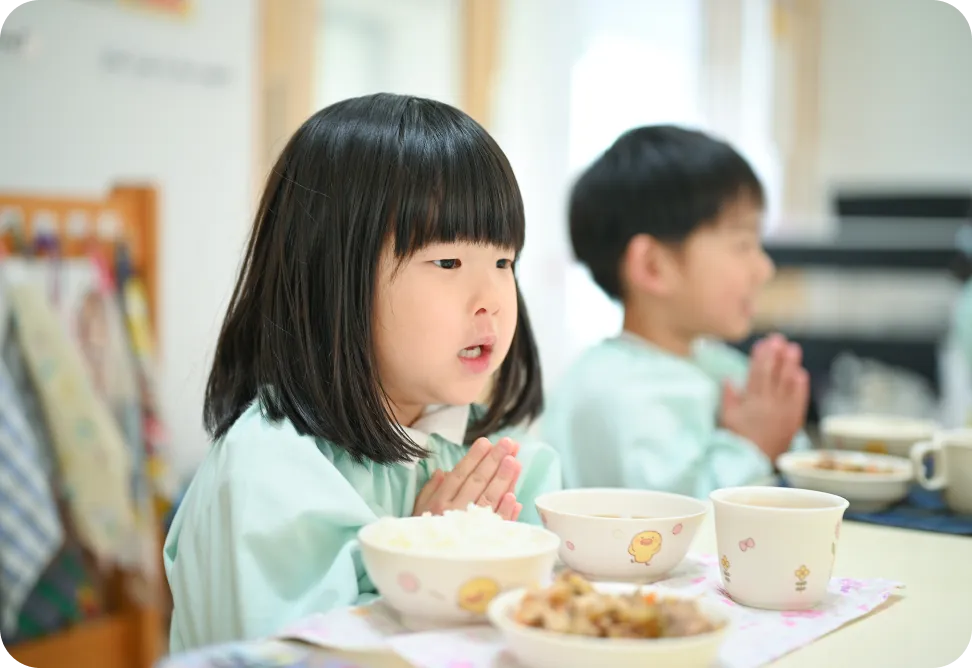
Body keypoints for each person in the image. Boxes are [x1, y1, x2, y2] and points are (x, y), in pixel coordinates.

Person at [163, 93, 560, 652]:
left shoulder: (495, 454)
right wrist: (424, 561)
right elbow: (294, 655)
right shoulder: (270, 469)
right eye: (447, 262)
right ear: (334, 279)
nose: (492, 299)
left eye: (503, 262)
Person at [543, 125, 810, 499]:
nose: (764, 268)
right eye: (742, 244)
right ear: (654, 266)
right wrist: (754, 445)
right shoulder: (610, 393)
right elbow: (669, 526)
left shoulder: (722, 366)